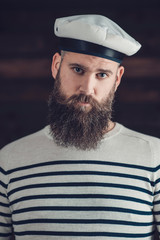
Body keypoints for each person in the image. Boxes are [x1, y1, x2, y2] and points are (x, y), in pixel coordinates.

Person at [0, 14, 160, 240]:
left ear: (117, 79)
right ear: (56, 66)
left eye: (102, 74)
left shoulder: (154, 157)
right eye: (77, 70)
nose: (87, 88)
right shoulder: (9, 161)